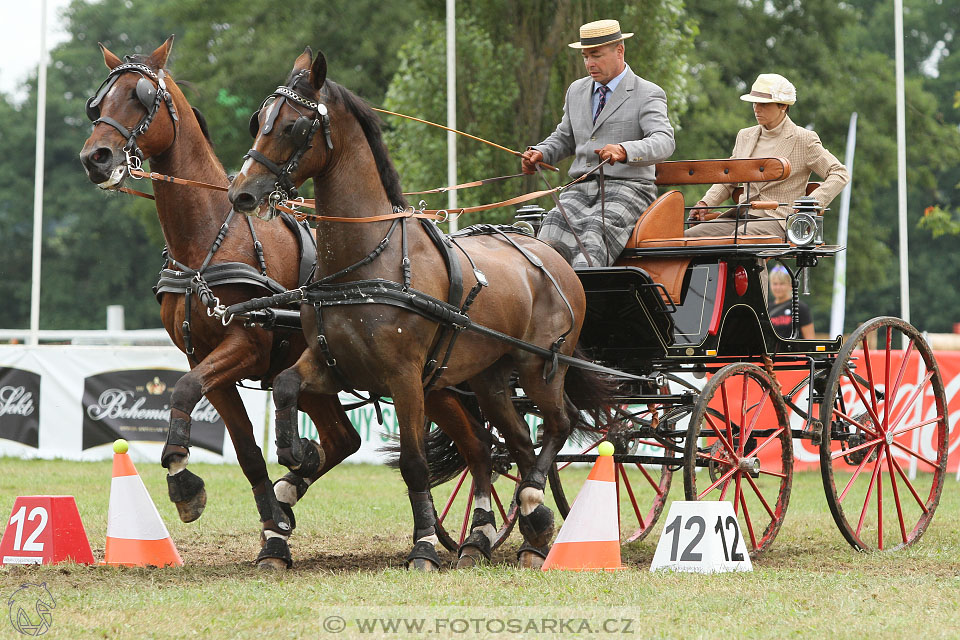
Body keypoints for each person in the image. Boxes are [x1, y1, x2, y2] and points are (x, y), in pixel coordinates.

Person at [521, 19, 675, 267]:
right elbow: (565, 137)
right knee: (550, 227)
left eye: (596, 55)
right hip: (581, 188)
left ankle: (587, 299)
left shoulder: (647, 92)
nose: (589, 63)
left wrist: (625, 150)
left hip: (630, 188)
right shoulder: (576, 90)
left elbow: (664, 141)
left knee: (594, 233)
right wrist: (541, 153)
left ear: (619, 51)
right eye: (585, 56)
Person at [687, 73, 850, 238]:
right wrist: (705, 203)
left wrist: (811, 204)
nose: (757, 108)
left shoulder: (804, 139)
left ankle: (753, 264)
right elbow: (729, 178)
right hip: (741, 217)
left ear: (783, 106)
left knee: (740, 238)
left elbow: (839, 173)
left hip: (779, 220)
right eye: (754, 103)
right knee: (687, 238)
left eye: (764, 104)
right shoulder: (744, 136)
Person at [768, 266, 814, 338]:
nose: (778, 287)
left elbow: (810, 339)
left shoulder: (800, 308)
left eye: (782, 284)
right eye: (775, 284)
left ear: (791, 285)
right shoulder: (766, 308)